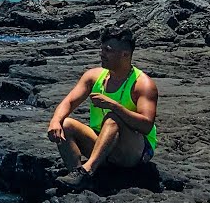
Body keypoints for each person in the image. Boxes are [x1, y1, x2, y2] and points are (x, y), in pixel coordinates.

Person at [46, 26, 158, 190]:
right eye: (102, 49)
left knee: (113, 117)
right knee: (65, 124)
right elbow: (69, 101)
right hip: (103, 146)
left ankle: (87, 170)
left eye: (108, 50)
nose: (102, 54)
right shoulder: (94, 76)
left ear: (125, 54)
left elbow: (147, 125)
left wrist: (114, 106)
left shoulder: (143, 84)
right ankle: (77, 176)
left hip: (133, 152)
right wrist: (55, 120)